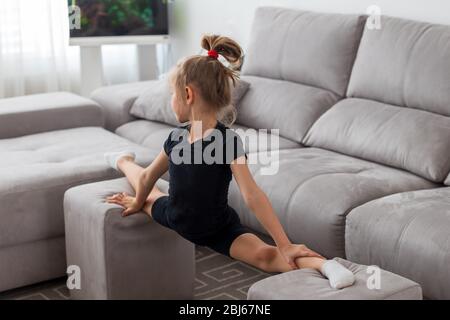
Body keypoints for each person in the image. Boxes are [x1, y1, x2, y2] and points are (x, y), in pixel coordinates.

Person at [105, 35, 355, 289]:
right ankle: (123, 160)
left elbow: (252, 195)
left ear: (188, 94)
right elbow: (147, 177)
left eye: (172, 94)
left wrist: (285, 244)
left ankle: (326, 265)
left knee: (267, 256)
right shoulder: (176, 137)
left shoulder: (226, 141)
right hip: (174, 215)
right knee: (150, 189)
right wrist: (136, 202)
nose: (171, 100)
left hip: (217, 229)